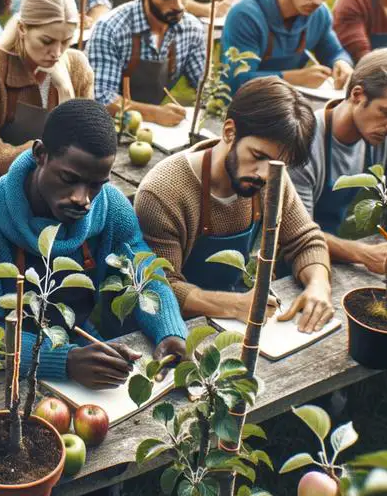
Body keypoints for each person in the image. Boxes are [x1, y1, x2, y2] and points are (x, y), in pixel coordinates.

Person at [0, 100, 188, 390]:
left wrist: (169, 331)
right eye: (69, 179)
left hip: (83, 346)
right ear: (40, 154)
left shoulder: (111, 207)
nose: (82, 199)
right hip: (3, 377)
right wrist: (64, 361)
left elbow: (143, 274)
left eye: (95, 184)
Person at [135, 77, 334, 331]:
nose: (264, 174)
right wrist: (235, 304)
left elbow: (305, 239)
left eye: (278, 165)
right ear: (229, 132)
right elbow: (161, 287)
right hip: (175, 329)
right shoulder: (164, 191)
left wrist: (318, 284)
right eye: (258, 156)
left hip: (236, 320)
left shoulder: (272, 178)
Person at [289, 49, 387, 285]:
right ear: (357, 95)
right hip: (295, 270)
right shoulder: (304, 142)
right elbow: (297, 234)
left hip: (343, 266)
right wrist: (363, 254)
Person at [0, 0, 94, 175]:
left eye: (66, 41)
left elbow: (89, 141)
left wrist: (66, 92)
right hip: (2, 181)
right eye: (46, 41)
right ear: (23, 29)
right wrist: (42, 154)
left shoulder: (78, 67)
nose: (57, 52)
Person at [87, 0, 206, 127]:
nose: (179, 5)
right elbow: (100, 97)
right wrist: (155, 114)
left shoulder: (192, 30)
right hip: (110, 129)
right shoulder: (110, 30)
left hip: (159, 135)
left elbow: (204, 87)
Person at [221, 0, 353, 93]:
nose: (319, 0)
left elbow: (335, 52)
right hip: (236, 109)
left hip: (287, 106)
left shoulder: (319, 14)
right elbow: (237, 81)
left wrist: (342, 63)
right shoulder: (245, 15)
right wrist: (294, 78)